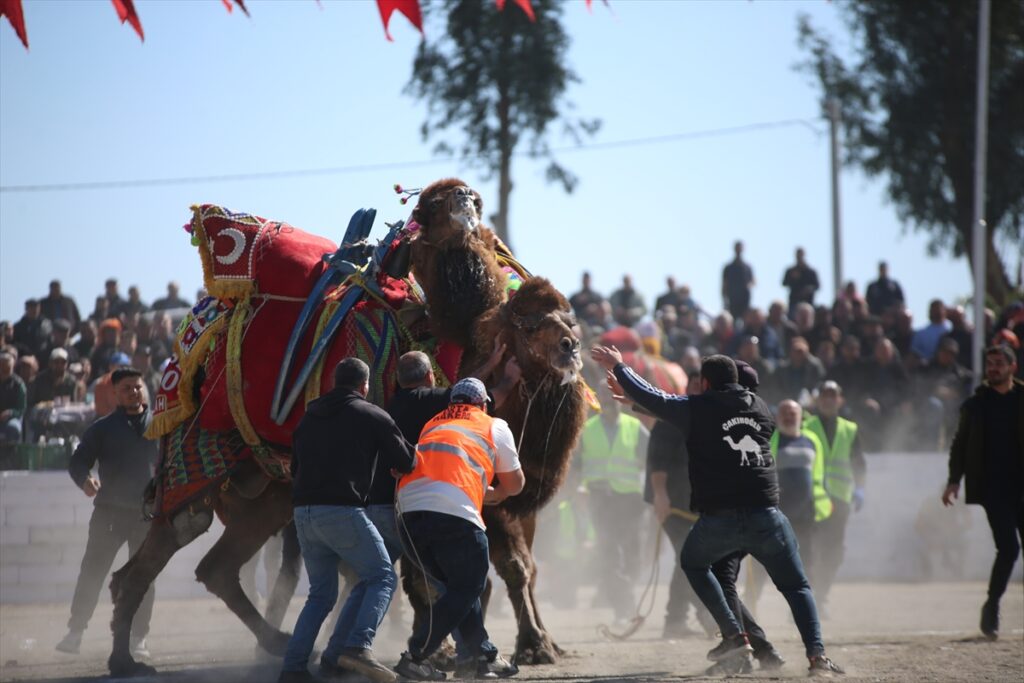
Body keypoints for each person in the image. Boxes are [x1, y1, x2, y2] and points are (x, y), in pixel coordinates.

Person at [590, 346, 844, 676]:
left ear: (705, 384)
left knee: (693, 563)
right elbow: (664, 404)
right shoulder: (762, 409)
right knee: (797, 586)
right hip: (767, 515)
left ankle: (735, 637)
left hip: (720, 520)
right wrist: (637, 403)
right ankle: (817, 657)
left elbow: (659, 398)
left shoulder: (698, 408)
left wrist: (622, 368)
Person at [279, 358, 416, 683]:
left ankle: (295, 668)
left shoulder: (308, 417)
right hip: (342, 511)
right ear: (365, 386)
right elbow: (407, 461)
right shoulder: (372, 414)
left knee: (321, 595)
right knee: (382, 577)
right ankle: (357, 647)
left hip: (303, 514)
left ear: (334, 383)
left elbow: (295, 469)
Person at [394, 378, 524, 681]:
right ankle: (415, 655)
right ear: (482, 404)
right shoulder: (492, 424)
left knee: (459, 591)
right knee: (469, 586)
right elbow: (515, 484)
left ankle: (484, 656)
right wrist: (497, 493)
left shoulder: (432, 423)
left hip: (409, 518)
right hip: (454, 513)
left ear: (452, 403)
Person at [56, 368, 157, 658]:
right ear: (115, 393)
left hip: (146, 516)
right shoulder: (101, 429)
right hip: (109, 514)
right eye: (126, 388)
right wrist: (85, 481)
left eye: (137, 386)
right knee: (93, 572)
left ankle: (139, 638)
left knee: (144, 578)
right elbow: (77, 462)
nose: (134, 392)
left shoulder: (161, 425)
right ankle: (76, 631)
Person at [943, 345, 1023, 640]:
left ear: (1012, 367)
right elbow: (960, 445)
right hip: (994, 490)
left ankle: (992, 605)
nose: (993, 368)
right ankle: (992, 604)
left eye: (999, 363)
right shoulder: (975, 405)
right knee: (1009, 549)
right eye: (990, 364)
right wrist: (954, 480)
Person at [745, 399, 831, 603]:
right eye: (784, 412)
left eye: (793, 413)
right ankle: (749, 605)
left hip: (806, 516)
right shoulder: (769, 440)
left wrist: (824, 497)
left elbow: (819, 474)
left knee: (807, 564)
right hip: (774, 516)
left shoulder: (812, 440)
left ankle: (805, 607)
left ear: (800, 417)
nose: (789, 416)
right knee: (762, 564)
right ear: (777, 416)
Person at [579, 382, 649, 622]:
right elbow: (575, 465)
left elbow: (651, 463)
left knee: (633, 556)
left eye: (615, 397)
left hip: (630, 502)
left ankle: (624, 594)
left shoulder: (635, 427)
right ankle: (624, 606)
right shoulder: (586, 430)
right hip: (601, 501)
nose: (610, 402)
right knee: (609, 554)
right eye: (606, 398)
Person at [805, 381, 866, 612]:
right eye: (824, 395)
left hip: (840, 500)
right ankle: (807, 600)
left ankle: (821, 597)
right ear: (818, 399)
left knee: (834, 552)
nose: (828, 399)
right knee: (810, 551)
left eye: (833, 395)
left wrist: (859, 489)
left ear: (840, 399)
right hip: (811, 500)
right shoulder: (807, 425)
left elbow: (859, 463)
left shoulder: (849, 429)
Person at [722, 241, 755, 320]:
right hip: (732, 300)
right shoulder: (728, 267)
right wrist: (724, 299)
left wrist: (747, 288)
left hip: (744, 301)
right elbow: (724, 284)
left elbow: (753, 281)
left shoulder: (747, 267)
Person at [782, 248, 820, 316]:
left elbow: (817, 286)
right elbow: (784, 283)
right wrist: (792, 278)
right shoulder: (791, 270)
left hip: (808, 302)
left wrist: (809, 289)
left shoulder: (810, 272)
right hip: (794, 302)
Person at [0, 352, 26, 443]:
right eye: (2, 365)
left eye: (7, 366)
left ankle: (11, 455)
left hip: (10, 419)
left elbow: (21, 409)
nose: (4, 368)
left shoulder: (18, 384)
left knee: (13, 428)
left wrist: (10, 413)